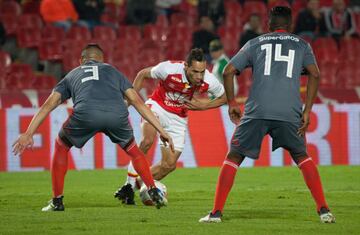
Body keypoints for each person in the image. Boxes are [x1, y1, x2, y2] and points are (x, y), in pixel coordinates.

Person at [199, 6, 336, 223]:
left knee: (234, 157)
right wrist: (307, 110)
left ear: (269, 25)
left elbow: (228, 71)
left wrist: (232, 102)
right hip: (289, 112)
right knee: (302, 157)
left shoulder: (255, 43)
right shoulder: (303, 45)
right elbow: (315, 74)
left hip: (257, 111)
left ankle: (215, 213)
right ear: (289, 25)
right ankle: (324, 211)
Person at [12, 43, 174, 211]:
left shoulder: (72, 75)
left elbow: (48, 105)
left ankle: (57, 201)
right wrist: (161, 130)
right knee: (134, 151)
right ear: (102, 60)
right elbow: (137, 102)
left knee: (61, 145)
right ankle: (153, 189)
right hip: (116, 114)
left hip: (86, 114)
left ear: (81, 60)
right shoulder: (113, 71)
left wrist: (29, 133)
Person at [114, 48, 227, 205]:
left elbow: (225, 97)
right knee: (147, 141)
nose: (199, 76)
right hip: (157, 107)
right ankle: (128, 184)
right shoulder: (168, 69)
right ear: (186, 66)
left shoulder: (209, 80)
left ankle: (135, 186)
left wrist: (204, 106)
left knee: (169, 165)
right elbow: (142, 74)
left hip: (178, 118)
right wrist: (129, 101)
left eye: (202, 72)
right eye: (195, 71)